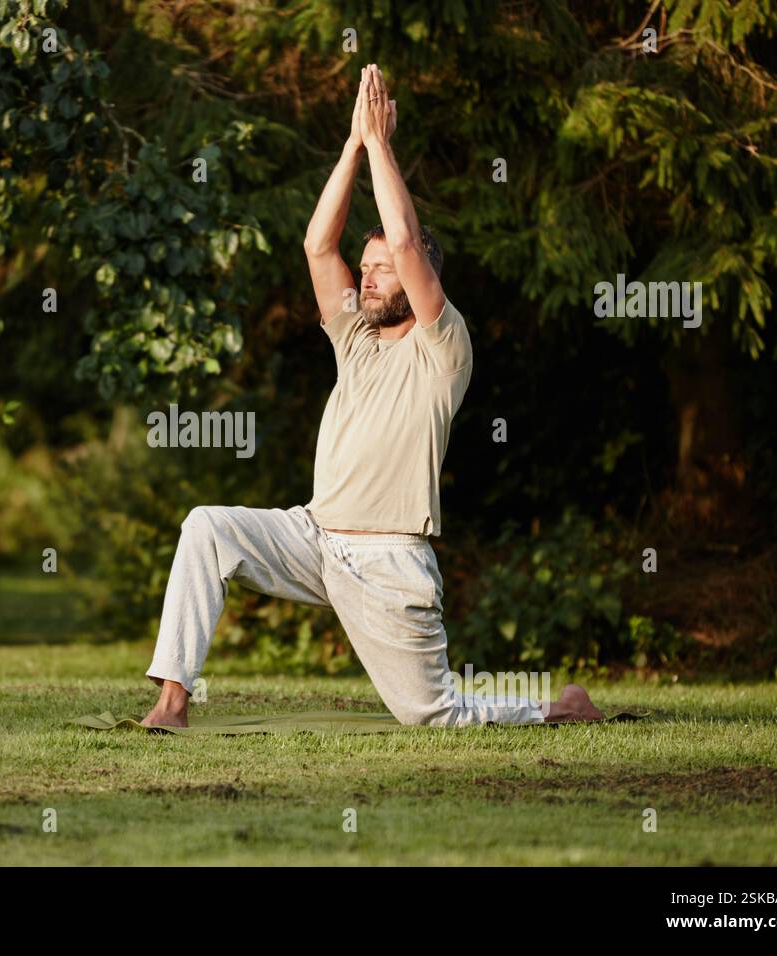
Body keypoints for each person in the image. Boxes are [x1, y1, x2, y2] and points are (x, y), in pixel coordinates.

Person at [141, 64, 603, 729]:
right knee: (207, 526)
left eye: (382, 271)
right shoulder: (356, 341)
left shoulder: (445, 348)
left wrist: (383, 146)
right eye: (368, 268)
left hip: (389, 560)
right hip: (314, 536)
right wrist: (354, 144)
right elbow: (316, 245)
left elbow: (410, 242)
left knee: (433, 716)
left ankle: (557, 709)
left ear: (419, 283)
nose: (369, 277)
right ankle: (172, 701)